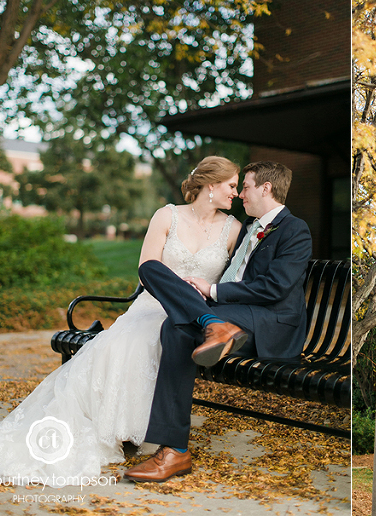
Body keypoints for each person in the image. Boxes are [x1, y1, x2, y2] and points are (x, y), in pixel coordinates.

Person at [0, 156, 242, 487]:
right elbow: (147, 269)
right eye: (231, 185)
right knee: (128, 340)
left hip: (192, 316)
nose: (236, 193)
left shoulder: (233, 229)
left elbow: (234, 283)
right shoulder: (167, 215)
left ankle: (147, 427)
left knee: (168, 336)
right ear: (211, 184)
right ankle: (116, 426)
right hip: (152, 305)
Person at [123, 160, 313, 483]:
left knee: (177, 326)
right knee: (151, 271)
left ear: (266, 188)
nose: (241, 195)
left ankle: (174, 449)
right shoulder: (247, 227)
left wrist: (211, 290)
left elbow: (276, 287)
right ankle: (175, 451)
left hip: (269, 323)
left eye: (246, 187)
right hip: (232, 315)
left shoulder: (295, 230)